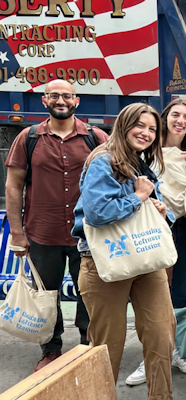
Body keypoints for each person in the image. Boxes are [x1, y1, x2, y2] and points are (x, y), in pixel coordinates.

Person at [72, 103, 177, 400]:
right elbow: (97, 212)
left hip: (144, 259)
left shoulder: (138, 162)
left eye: (152, 129)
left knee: (162, 335)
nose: (146, 133)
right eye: (139, 125)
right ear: (124, 124)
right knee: (108, 347)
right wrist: (139, 196)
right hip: (105, 264)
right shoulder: (102, 161)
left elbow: (139, 206)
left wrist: (154, 205)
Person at [4, 79, 108, 371]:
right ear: (44, 100)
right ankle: (51, 350)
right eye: (54, 95)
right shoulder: (28, 138)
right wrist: (17, 233)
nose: (60, 100)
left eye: (66, 96)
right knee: (46, 296)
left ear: (76, 100)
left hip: (87, 235)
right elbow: (13, 186)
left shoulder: (96, 137)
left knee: (89, 293)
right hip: (42, 233)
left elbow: (115, 177)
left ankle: (89, 346)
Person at [125, 99, 186, 386]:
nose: (180, 121)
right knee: (151, 293)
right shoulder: (146, 151)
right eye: (175, 115)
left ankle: (176, 349)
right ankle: (152, 357)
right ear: (165, 117)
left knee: (181, 291)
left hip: (181, 227)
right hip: (150, 225)